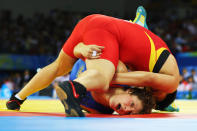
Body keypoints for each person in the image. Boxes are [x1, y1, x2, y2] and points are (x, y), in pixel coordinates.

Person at [6, 6, 179, 117]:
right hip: (105, 30)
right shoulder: (170, 81)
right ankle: (74, 87)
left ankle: (17, 97)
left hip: (92, 27)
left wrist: (79, 49)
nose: (151, 91)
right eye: (156, 92)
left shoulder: (141, 76)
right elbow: (147, 80)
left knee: (58, 66)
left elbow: (145, 89)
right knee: (104, 77)